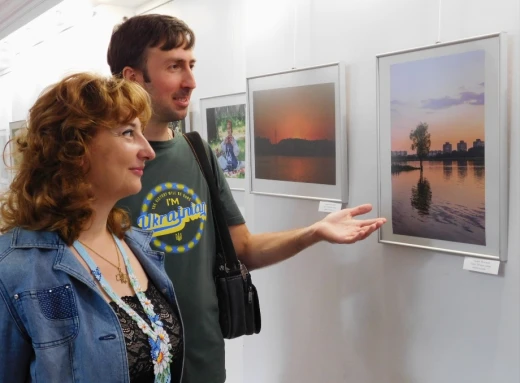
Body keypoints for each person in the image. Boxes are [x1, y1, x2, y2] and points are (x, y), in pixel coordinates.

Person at [107, 14, 387, 383]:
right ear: (132, 77)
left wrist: (315, 232)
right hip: (133, 367)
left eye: (191, 65)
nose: (190, 81)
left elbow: (243, 249)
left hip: (204, 361)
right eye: (174, 66)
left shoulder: (198, 153)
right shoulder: (102, 165)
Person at [0, 73, 185, 383]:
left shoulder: (139, 247)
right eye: (128, 132)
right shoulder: (15, 271)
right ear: (75, 149)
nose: (148, 151)